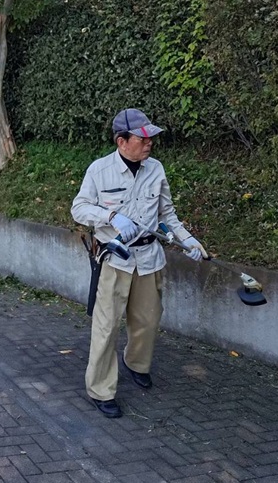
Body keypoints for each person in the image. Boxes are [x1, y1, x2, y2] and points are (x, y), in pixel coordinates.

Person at [71, 108, 209, 418]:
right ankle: (100, 390)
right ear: (122, 141)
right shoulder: (99, 170)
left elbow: (167, 215)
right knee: (106, 328)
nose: (149, 144)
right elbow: (78, 208)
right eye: (142, 138)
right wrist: (110, 216)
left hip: (149, 259)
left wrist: (188, 241)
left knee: (148, 320)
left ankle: (136, 363)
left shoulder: (155, 169)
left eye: (151, 138)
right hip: (115, 261)